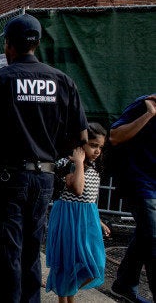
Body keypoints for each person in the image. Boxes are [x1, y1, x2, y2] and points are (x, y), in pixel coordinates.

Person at [0, 14, 88, 302]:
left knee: (6, 249)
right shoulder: (62, 81)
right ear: (36, 44)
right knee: (31, 247)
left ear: (9, 45)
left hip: (7, 178)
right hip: (44, 178)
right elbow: (81, 138)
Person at [45, 123, 109, 302]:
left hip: (86, 219)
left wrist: (98, 220)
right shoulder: (69, 164)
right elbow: (78, 189)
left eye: (100, 147)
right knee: (68, 263)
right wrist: (79, 162)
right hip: (68, 218)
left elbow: (89, 199)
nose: (97, 151)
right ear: (81, 145)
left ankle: (66, 290)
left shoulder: (94, 166)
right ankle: (64, 297)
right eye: (93, 145)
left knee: (95, 265)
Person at [109, 94, 155, 303]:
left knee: (145, 235)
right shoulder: (144, 104)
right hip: (141, 184)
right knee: (153, 238)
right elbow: (115, 136)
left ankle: (124, 284)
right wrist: (149, 114)